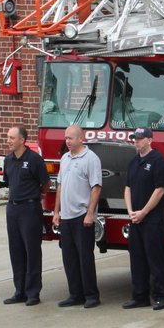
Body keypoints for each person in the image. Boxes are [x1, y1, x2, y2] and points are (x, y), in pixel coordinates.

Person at [54, 124, 102, 309]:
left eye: (70, 138)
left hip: (82, 215)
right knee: (69, 257)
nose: (67, 141)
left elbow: (96, 187)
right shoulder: (65, 158)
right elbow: (59, 186)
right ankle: (75, 294)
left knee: (85, 257)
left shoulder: (91, 159)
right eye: (66, 138)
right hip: (66, 216)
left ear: (81, 138)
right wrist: (57, 211)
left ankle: (91, 295)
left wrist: (90, 214)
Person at [123, 126, 164, 310]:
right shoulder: (134, 162)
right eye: (135, 138)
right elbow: (127, 188)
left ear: (150, 140)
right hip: (135, 219)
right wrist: (130, 211)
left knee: (155, 259)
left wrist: (143, 212)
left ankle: (160, 296)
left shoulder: (158, 160)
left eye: (140, 139)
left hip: (152, 220)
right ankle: (140, 296)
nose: (136, 141)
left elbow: (159, 190)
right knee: (137, 259)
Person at [2, 125, 49, 306]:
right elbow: (8, 182)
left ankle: (33, 292)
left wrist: (36, 196)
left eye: (12, 138)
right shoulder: (8, 160)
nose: (8, 141)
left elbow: (45, 184)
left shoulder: (34, 159)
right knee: (16, 251)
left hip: (30, 209)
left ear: (22, 140)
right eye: (8, 137)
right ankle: (19, 290)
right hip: (13, 209)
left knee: (32, 251)